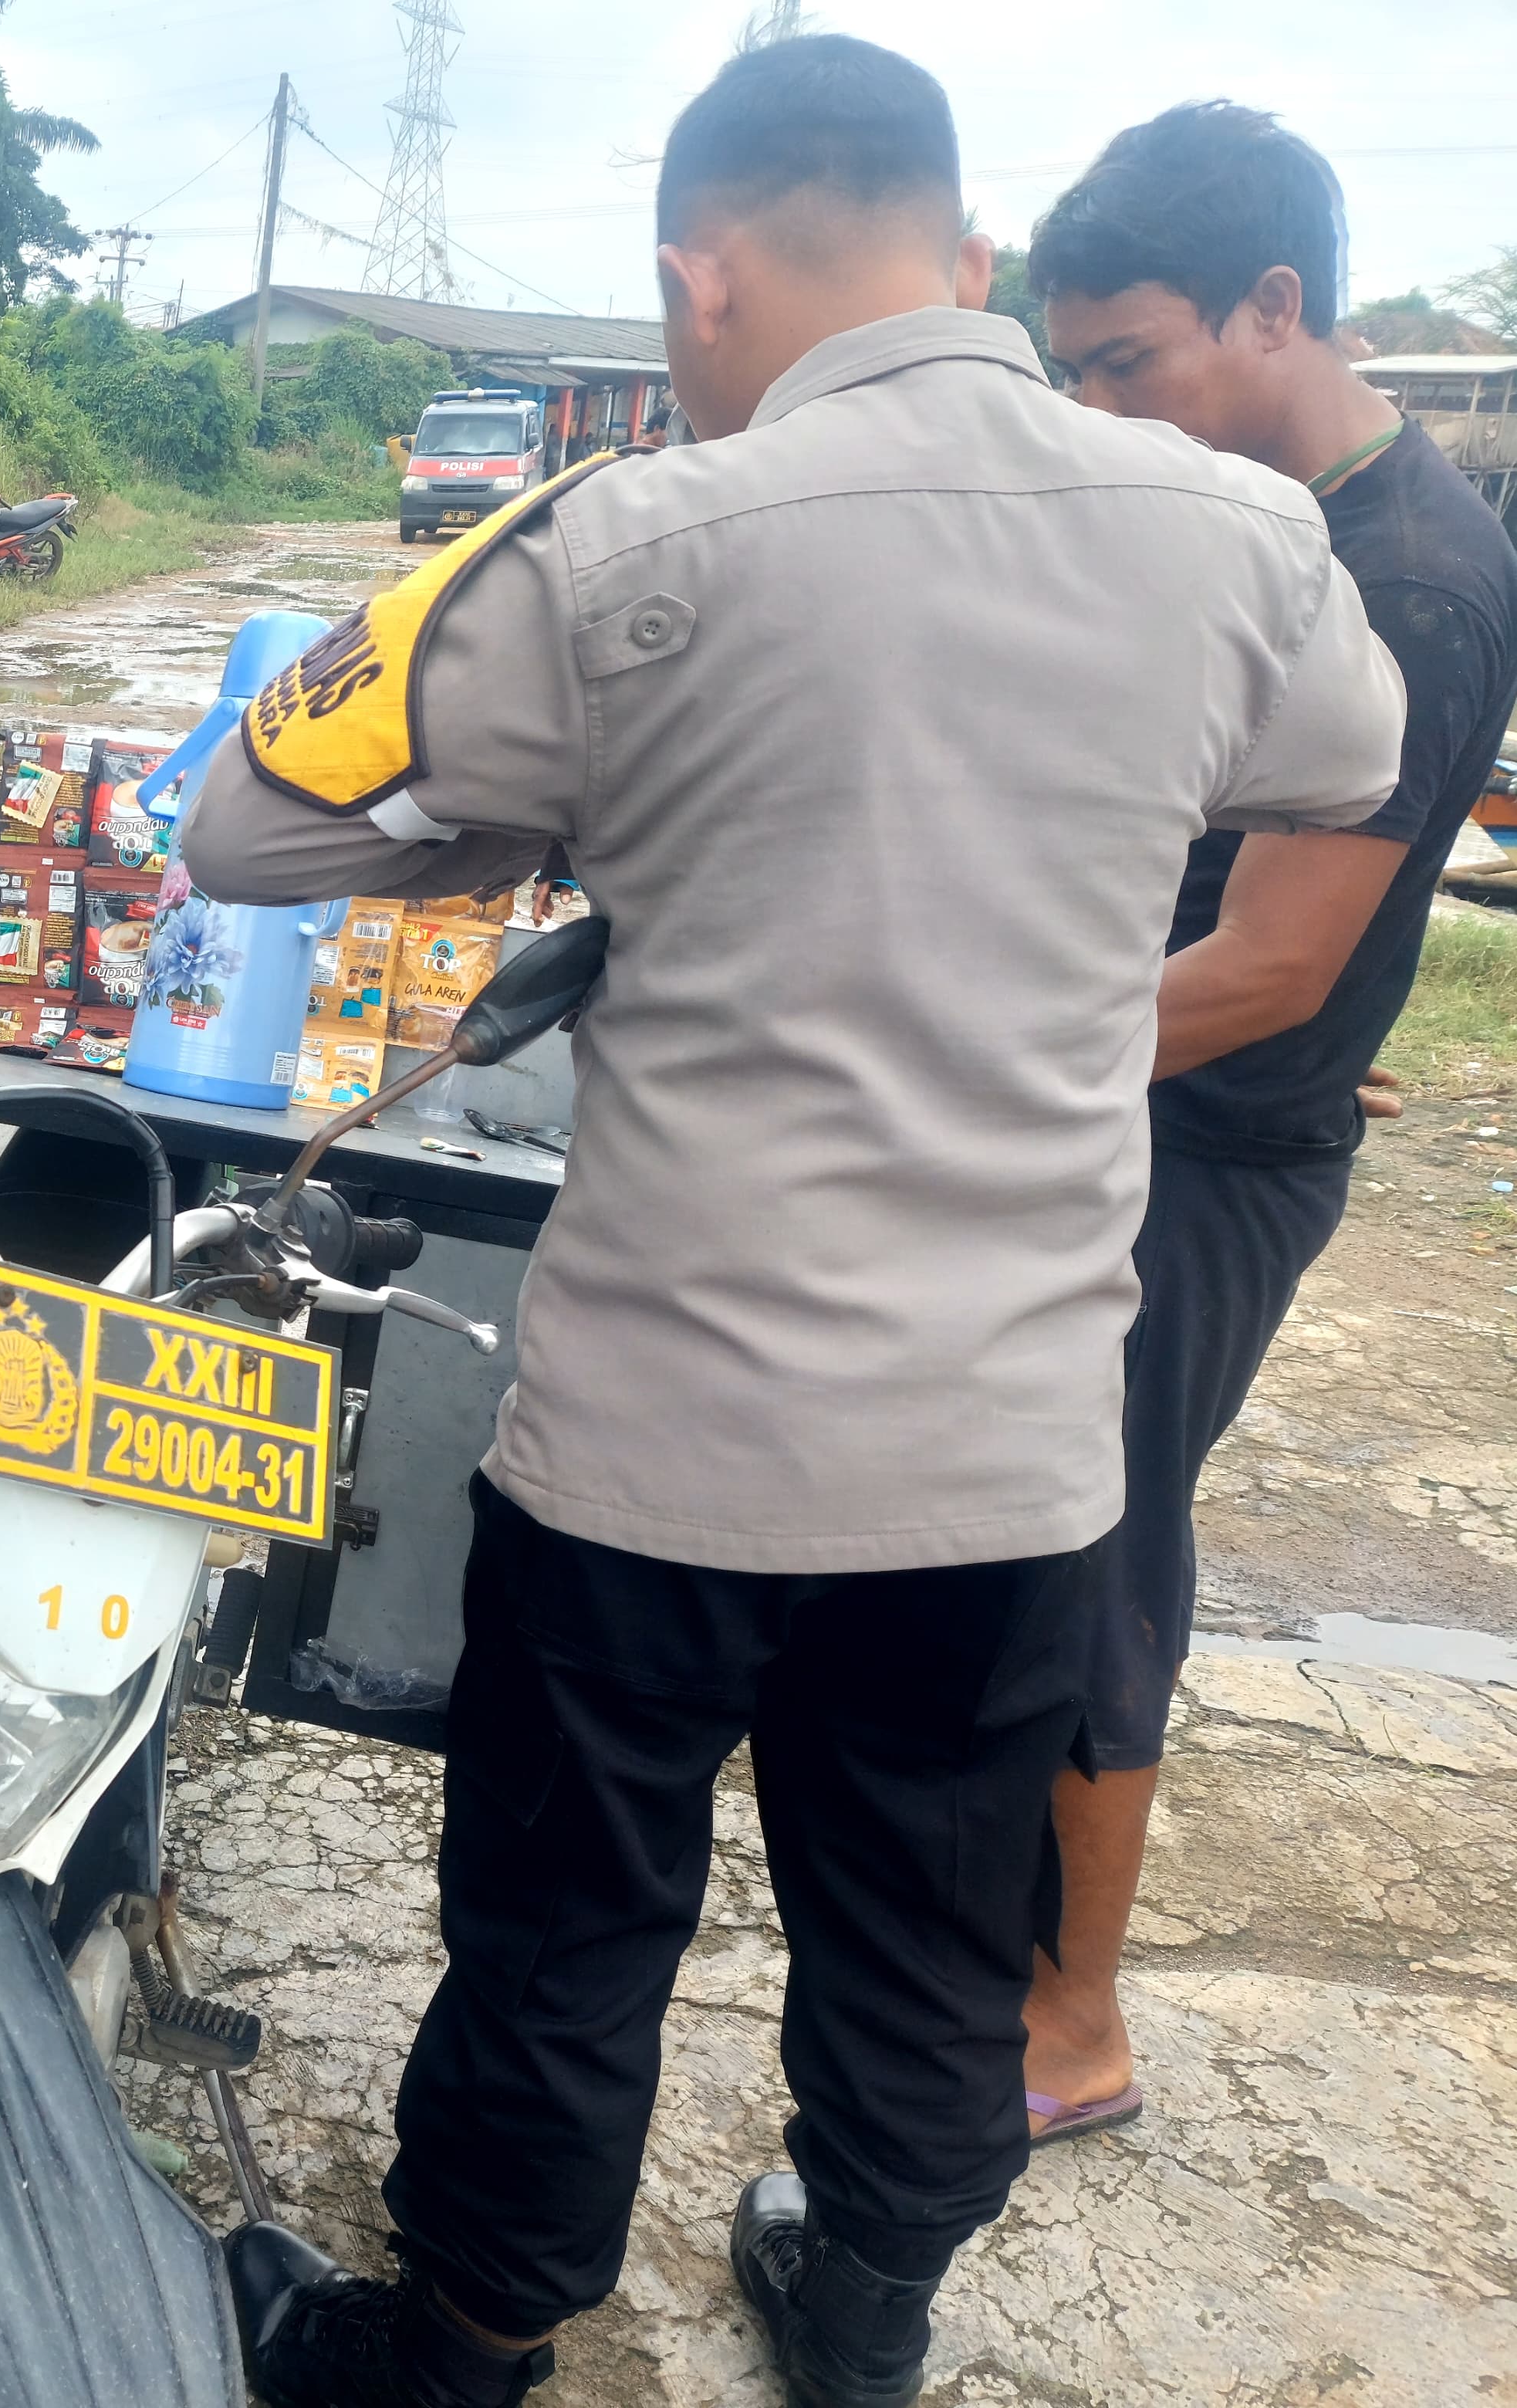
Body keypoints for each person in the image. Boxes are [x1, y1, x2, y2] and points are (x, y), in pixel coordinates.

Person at [180, 36, 1407, 2408]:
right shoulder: (1233, 534)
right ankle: (862, 2317)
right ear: (969, 252)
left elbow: (248, 823)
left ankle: (463, 2351)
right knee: (933, 1936)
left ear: (698, 280)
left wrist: (549, 806)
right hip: (1002, 1454)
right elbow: (1346, 754)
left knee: (566, 1929)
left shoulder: (628, 546)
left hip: (663, 1443)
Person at [1018, 107, 1517, 2148]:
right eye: (1073, 373)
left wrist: (962, 1065)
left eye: (1128, 361)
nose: (1101, 410)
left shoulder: (1407, 574)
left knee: (1103, 1546)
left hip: (1207, 1146)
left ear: (1274, 306)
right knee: (1035, 1525)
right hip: (1180, 1092)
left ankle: (1073, 2027)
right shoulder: (1280, 521)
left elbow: (1265, 963)